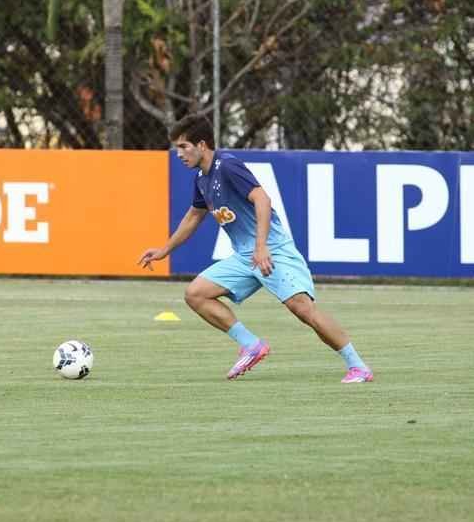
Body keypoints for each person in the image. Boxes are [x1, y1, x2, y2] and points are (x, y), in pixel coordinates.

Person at [138, 114, 373, 383]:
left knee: (304, 310)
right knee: (196, 294)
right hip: (245, 256)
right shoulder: (202, 179)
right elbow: (194, 216)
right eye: (176, 148)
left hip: (272, 249)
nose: (178, 154)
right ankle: (251, 345)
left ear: (201, 145)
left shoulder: (227, 166)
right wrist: (164, 250)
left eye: (183, 146)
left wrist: (261, 247)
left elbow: (262, 198)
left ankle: (359, 367)